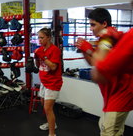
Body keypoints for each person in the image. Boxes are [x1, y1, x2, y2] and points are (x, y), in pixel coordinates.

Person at [75, 8, 133, 136]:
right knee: (109, 128)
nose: (91, 28)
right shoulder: (104, 39)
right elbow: (94, 63)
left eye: (93, 24)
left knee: (107, 131)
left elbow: (100, 65)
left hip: (120, 93)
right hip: (112, 93)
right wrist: (85, 50)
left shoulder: (109, 36)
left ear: (104, 24)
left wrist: (89, 49)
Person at [34, 28, 63, 136]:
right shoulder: (41, 49)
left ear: (49, 38)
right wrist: (36, 58)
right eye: (38, 38)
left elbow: (53, 67)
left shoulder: (54, 50)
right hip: (44, 82)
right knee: (43, 104)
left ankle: (52, 133)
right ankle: (52, 124)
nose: (39, 40)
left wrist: (43, 56)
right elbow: (38, 66)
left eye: (42, 37)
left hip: (53, 82)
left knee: (48, 108)